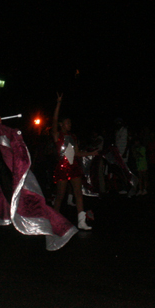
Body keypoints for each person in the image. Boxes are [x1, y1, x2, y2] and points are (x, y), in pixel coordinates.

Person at [51, 93, 98, 230]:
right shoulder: (57, 135)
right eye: (67, 122)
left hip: (73, 167)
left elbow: (77, 153)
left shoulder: (73, 136)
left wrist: (91, 153)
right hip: (62, 167)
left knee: (78, 194)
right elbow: (54, 120)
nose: (70, 124)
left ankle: (81, 222)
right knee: (60, 196)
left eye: (70, 122)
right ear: (61, 124)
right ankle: (53, 220)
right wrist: (59, 103)